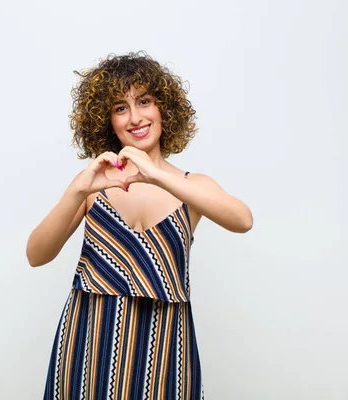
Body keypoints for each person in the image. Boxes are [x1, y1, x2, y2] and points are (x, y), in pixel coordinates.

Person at [26, 51, 253, 399]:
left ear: (164, 108)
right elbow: (36, 255)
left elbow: (243, 220)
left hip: (163, 352)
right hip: (89, 347)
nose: (135, 117)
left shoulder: (192, 187)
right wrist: (77, 190)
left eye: (144, 101)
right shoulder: (93, 185)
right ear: (107, 121)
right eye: (120, 107)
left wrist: (159, 176)